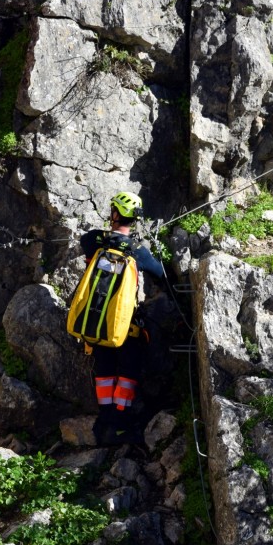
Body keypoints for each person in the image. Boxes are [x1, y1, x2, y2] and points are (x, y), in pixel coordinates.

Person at [79, 191, 164, 446]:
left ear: (114, 213)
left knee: (104, 371)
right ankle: (121, 422)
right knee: (127, 373)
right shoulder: (138, 251)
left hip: (97, 323)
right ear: (135, 219)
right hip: (126, 327)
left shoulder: (93, 241)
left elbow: (86, 241)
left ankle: (104, 419)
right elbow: (160, 273)